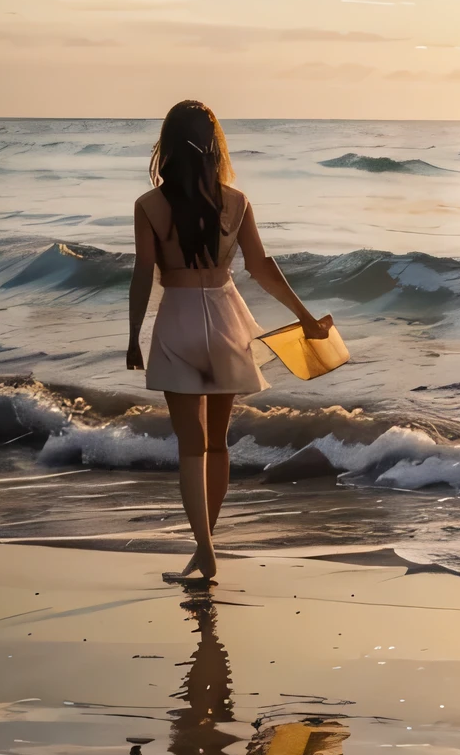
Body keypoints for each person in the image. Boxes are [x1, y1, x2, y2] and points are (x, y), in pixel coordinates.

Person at [126, 99, 331, 583]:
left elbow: (141, 273)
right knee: (216, 444)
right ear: (215, 144)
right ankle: (205, 546)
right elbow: (262, 268)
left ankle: (204, 548)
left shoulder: (149, 206)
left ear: (168, 144)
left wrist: (133, 335)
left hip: (177, 319)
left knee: (190, 446)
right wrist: (304, 318)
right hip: (226, 318)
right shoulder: (235, 202)